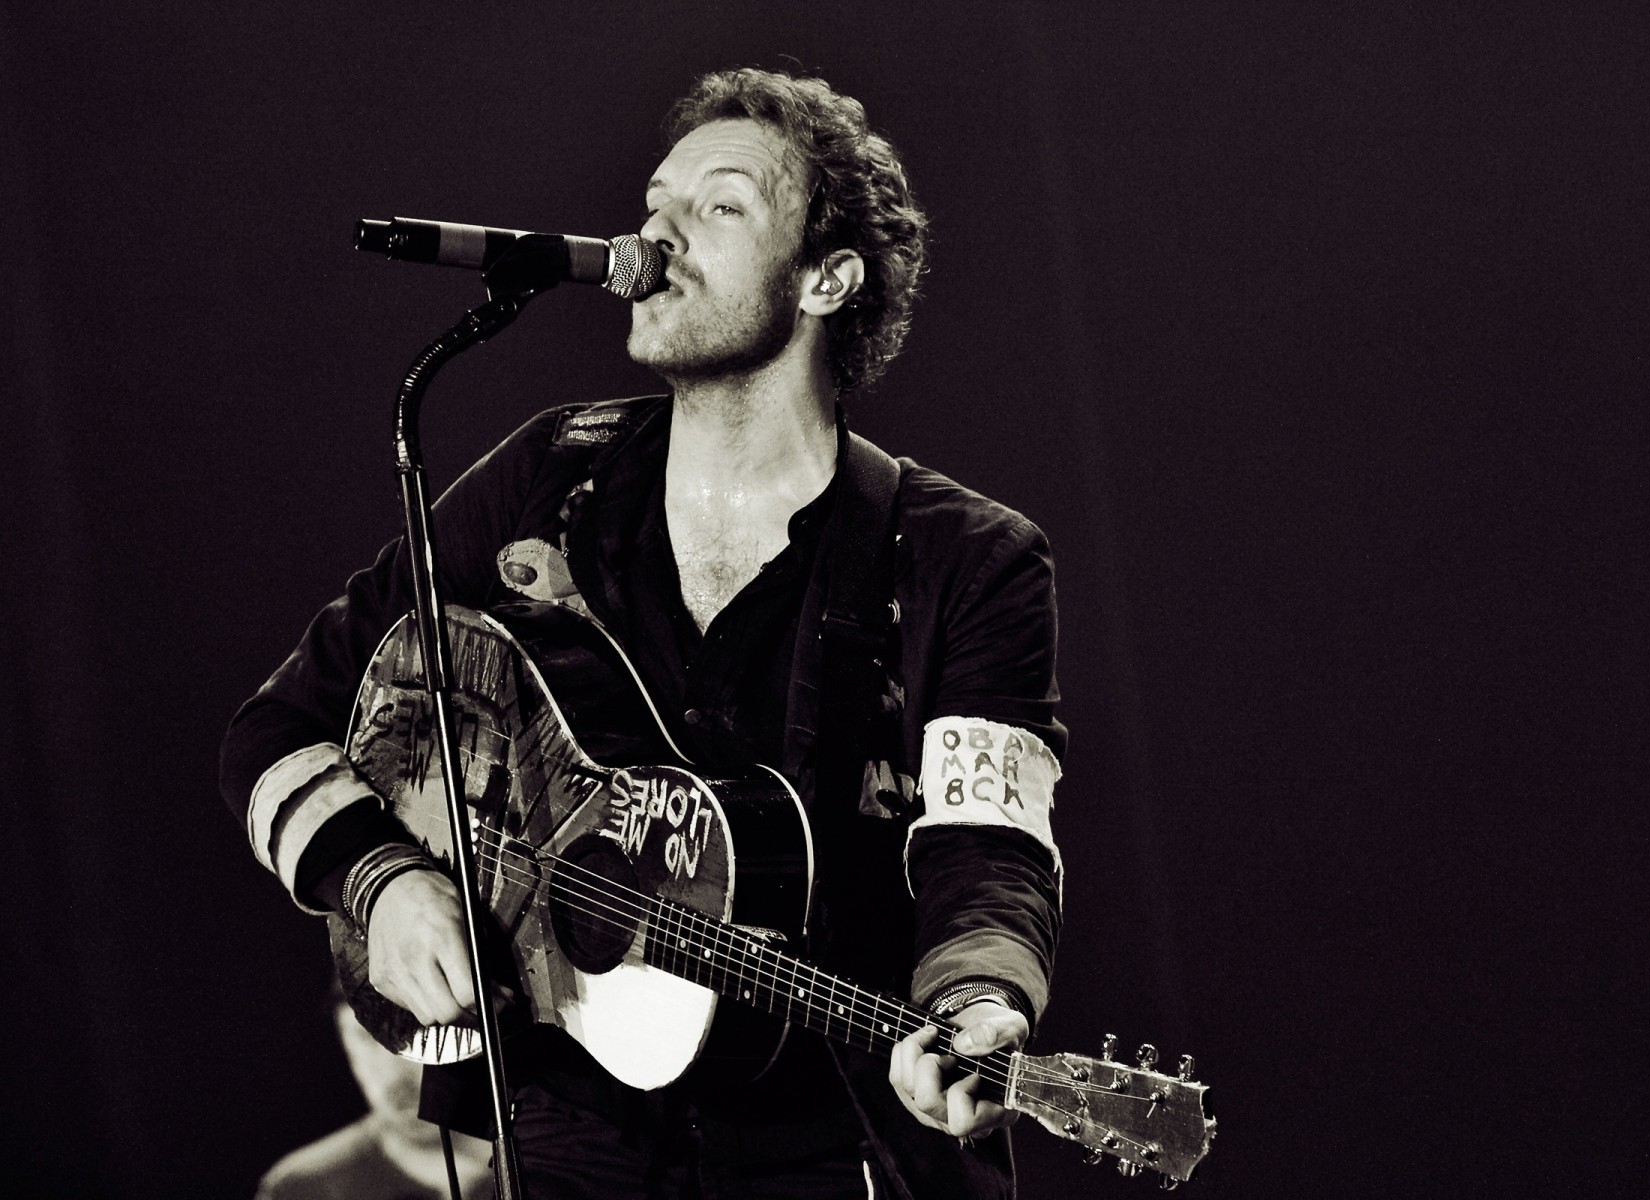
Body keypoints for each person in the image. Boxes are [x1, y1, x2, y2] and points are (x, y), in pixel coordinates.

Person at [221, 67, 1065, 1199]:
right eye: (655, 201)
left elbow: (988, 847)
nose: (654, 232)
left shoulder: (968, 556)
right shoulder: (545, 475)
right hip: (566, 1142)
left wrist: (975, 1004)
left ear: (829, 279)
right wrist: (380, 880)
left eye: (720, 206)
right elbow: (277, 729)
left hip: (837, 1144)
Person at [256, 988, 493, 1200]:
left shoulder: (525, 1162)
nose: (394, 1071)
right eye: (365, 1040)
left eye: (412, 1033)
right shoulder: (300, 1190)